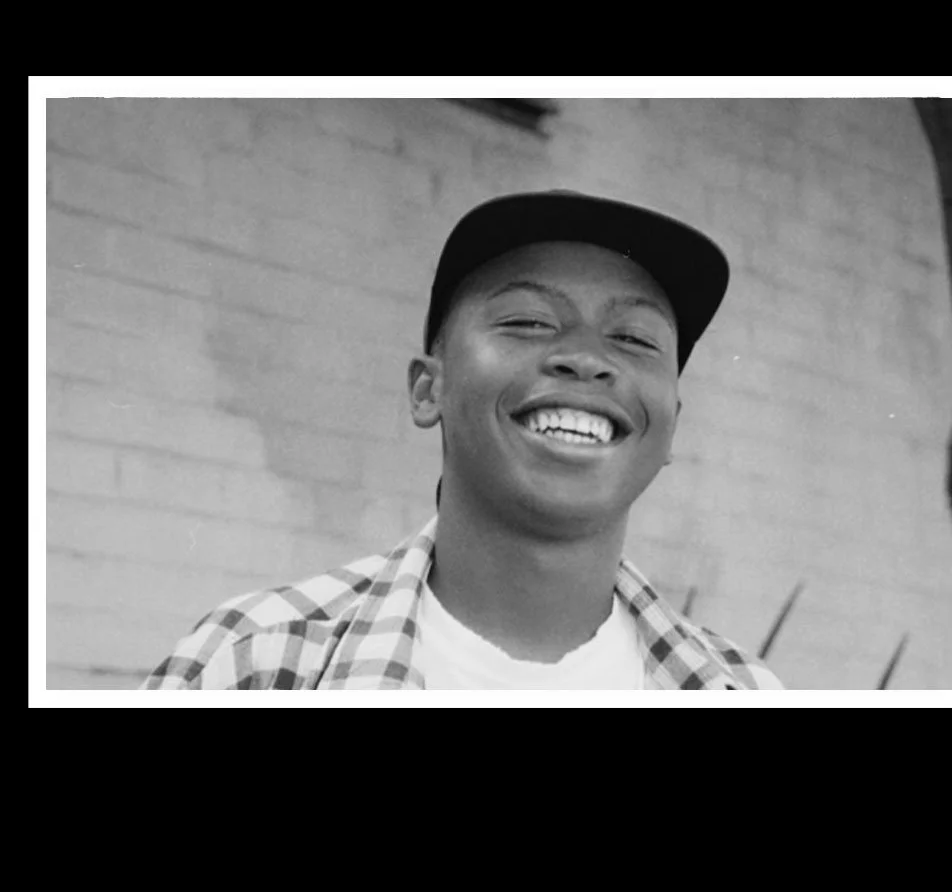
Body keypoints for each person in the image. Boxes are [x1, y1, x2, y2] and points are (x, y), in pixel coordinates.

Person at [142, 190, 783, 690]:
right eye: (529, 321)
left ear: (671, 426)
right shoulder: (251, 665)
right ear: (429, 390)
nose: (587, 359)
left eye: (635, 339)